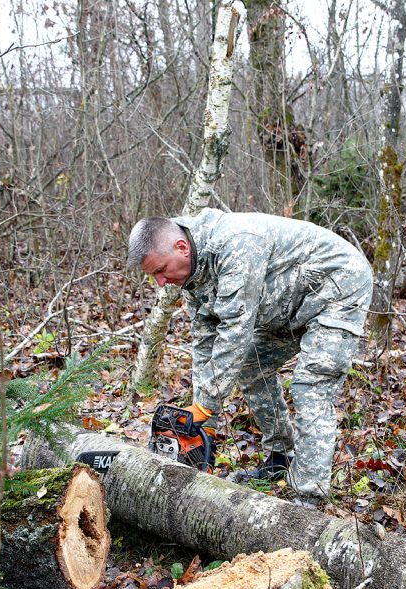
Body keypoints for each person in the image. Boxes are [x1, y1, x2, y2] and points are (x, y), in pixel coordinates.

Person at [127, 208, 373, 506]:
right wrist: (203, 418)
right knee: (250, 365)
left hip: (338, 288)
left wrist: (207, 405)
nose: (160, 282)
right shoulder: (190, 271)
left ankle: (309, 497)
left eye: (161, 270)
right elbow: (205, 341)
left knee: (311, 387)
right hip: (287, 302)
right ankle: (281, 455)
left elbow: (235, 331)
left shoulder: (236, 243)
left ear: (181, 247)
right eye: (153, 275)